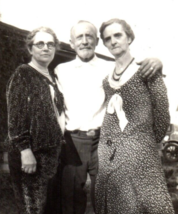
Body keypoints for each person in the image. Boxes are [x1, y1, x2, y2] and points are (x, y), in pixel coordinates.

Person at [55, 20, 164, 214]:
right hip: (73, 142)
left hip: (104, 142)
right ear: (71, 43)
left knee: (106, 198)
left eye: (89, 36)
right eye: (79, 37)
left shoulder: (110, 68)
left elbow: (135, 69)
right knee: (71, 200)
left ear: (97, 41)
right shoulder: (60, 70)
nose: (84, 41)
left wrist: (156, 60)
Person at [95, 18, 175, 214]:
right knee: (117, 202)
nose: (113, 41)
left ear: (129, 37)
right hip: (109, 151)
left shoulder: (146, 70)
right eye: (108, 38)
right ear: (104, 44)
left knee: (146, 201)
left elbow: (162, 112)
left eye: (118, 35)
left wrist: (144, 141)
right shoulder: (107, 79)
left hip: (140, 151)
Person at [6, 27, 65, 214]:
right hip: (32, 156)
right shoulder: (23, 74)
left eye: (50, 44)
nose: (46, 48)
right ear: (30, 49)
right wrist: (25, 150)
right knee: (32, 208)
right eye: (40, 44)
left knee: (49, 208)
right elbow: (15, 116)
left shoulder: (52, 76)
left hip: (51, 155)